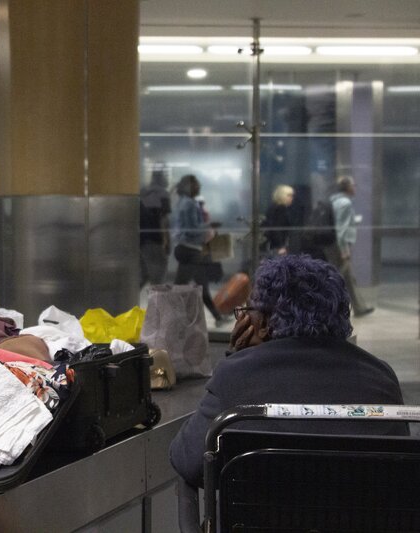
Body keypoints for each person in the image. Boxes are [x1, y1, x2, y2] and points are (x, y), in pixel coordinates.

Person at [169, 254, 407, 489]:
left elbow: (188, 461)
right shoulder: (380, 377)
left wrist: (236, 359)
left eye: (249, 310)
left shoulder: (236, 376)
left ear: (263, 324)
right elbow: (399, 472)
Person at [172, 174, 226, 327]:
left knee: (198, 285)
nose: (199, 187)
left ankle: (218, 317)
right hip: (190, 249)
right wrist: (210, 225)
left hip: (185, 248)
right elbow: (192, 229)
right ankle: (172, 319)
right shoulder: (189, 203)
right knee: (182, 288)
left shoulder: (181, 202)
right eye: (196, 185)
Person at [326, 176, 374, 317]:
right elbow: (341, 228)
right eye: (353, 185)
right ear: (347, 187)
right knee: (339, 277)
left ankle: (359, 307)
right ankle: (328, 309)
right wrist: (344, 250)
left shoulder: (334, 200)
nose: (355, 188)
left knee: (347, 277)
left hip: (335, 244)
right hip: (340, 246)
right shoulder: (345, 203)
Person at [139, 169, 171, 286]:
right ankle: (157, 304)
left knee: (143, 274)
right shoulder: (163, 194)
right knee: (158, 278)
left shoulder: (143, 192)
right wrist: (165, 241)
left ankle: (127, 301)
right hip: (156, 239)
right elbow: (163, 219)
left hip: (142, 239)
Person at [261, 184, 295, 255]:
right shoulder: (281, 209)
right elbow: (277, 228)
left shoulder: (273, 207)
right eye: (289, 195)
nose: (291, 198)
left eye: (292, 196)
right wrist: (280, 246)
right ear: (282, 196)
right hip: (277, 246)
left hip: (272, 245)